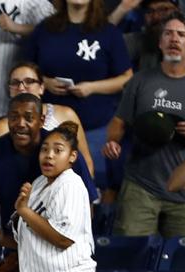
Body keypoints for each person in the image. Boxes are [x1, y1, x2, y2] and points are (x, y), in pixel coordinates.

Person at [0, 93, 96, 272]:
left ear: (41, 120)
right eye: (14, 117)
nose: (20, 123)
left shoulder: (65, 154)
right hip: (17, 254)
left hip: (65, 261)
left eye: (28, 118)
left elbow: (84, 214)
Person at [23, 0, 132, 185]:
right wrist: (45, 82)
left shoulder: (108, 32)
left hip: (95, 127)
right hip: (50, 128)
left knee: (93, 188)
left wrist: (92, 87)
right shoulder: (46, 29)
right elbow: (26, 69)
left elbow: (127, 78)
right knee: (45, 188)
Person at [103, 15, 185, 236]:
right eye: (168, 33)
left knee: (184, 263)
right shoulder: (140, 81)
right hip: (140, 186)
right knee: (129, 257)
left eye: (181, 35)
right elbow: (118, 122)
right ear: (160, 42)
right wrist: (112, 142)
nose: (174, 39)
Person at [13, 122, 97, 272]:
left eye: (58, 151)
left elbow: (63, 238)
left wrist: (25, 211)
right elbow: (24, 233)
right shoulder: (38, 183)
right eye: (44, 150)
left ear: (72, 156)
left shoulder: (71, 184)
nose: (49, 155)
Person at [0, 62, 94, 174]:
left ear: (42, 87)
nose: (21, 87)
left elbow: (86, 161)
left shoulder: (66, 114)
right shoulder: (1, 127)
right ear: (9, 90)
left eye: (29, 81)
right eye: (15, 83)